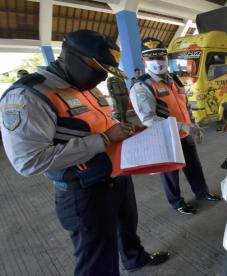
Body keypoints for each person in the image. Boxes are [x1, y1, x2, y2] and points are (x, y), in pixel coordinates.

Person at [0, 30, 169, 275]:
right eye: (97, 69)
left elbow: (103, 121)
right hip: (85, 192)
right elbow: (28, 162)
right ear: (71, 57)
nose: (101, 78)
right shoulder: (29, 95)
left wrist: (125, 129)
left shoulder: (86, 87)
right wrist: (103, 139)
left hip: (117, 175)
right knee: (96, 259)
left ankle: (135, 259)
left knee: (127, 229)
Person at [130, 37, 220, 215]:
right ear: (143, 60)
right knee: (170, 173)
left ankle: (202, 193)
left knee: (194, 167)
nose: (157, 62)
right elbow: (148, 119)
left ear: (167, 57)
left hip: (185, 135)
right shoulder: (142, 86)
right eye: (151, 58)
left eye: (160, 57)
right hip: (165, 138)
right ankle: (177, 202)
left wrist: (193, 124)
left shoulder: (174, 80)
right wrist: (183, 126)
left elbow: (184, 105)